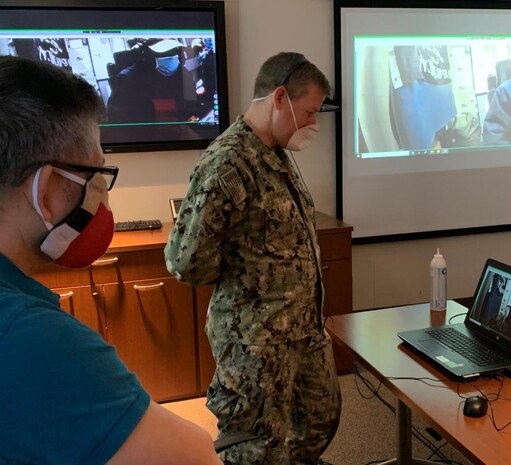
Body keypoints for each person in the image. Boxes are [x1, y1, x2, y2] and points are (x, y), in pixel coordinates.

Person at [0, 56, 221, 465]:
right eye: (95, 173)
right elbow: (194, 457)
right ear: (45, 189)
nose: (101, 190)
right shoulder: (33, 339)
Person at [165, 51, 342, 464]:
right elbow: (186, 261)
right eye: (309, 112)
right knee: (255, 445)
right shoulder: (227, 162)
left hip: (304, 328)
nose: (314, 123)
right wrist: (244, 281)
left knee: (320, 419)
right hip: (255, 341)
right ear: (279, 98)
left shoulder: (278, 152)